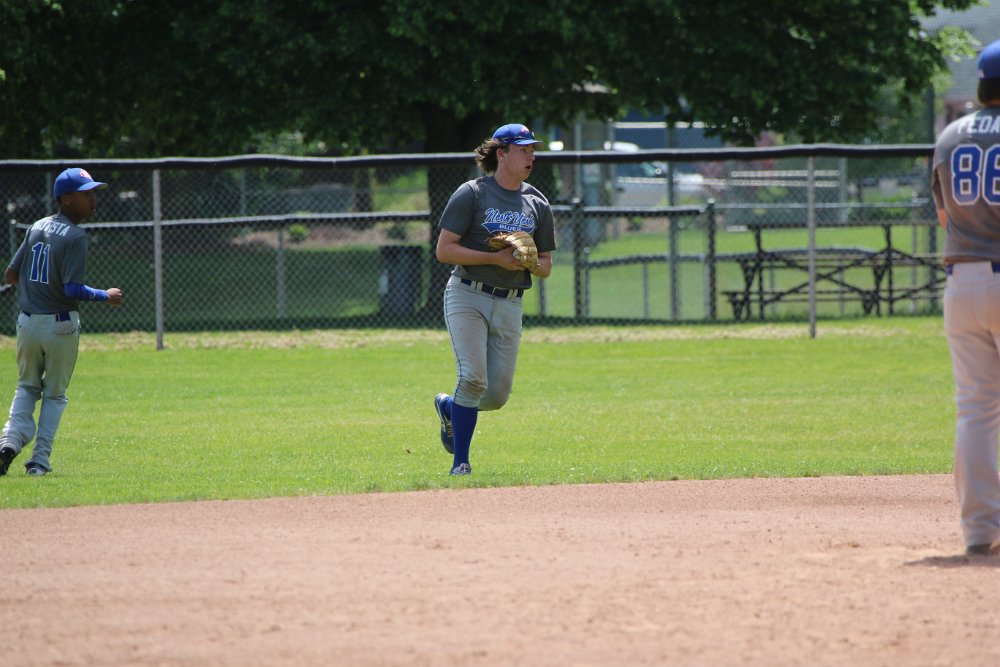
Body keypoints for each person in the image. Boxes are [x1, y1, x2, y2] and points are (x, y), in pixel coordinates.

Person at [432, 123, 556, 476]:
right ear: (501, 154)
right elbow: (445, 250)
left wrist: (530, 262)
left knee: (497, 396)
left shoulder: (537, 203)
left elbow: (546, 266)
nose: (530, 156)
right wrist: (495, 258)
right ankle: (461, 463)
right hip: (468, 295)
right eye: (523, 149)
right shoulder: (472, 193)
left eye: (532, 150)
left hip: (510, 302)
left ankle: (450, 408)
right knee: (473, 378)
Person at [0, 168, 124, 477]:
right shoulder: (75, 236)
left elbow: (11, 275)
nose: (92, 199)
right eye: (85, 194)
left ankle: (8, 443)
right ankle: (39, 462)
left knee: (26, 387)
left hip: (27, 324)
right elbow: (71, 289)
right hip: (60, 325)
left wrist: (36, 287)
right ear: (65, 199)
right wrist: (105, 295)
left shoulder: (37, 226)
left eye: (93, 193)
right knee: (54, 395)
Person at [932, 39, 1000, 556]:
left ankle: (979, 532)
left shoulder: (950, 136)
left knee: (975, 409)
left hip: (962, 281)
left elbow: (943, 216)